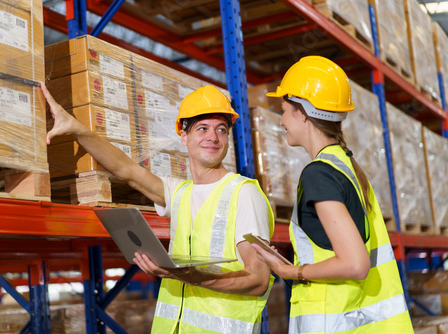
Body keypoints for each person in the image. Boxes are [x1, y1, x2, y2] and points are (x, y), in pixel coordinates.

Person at [41, 83, 275, 333]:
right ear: (183, 135)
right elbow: (126, 170)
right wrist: (76, 128)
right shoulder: (180, 193)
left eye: (221, 129)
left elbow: (258, 279)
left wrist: (184, 276)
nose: (213, 137)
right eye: (202, 128)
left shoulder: (244, 193)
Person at [250, 56, 414, 333]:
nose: (282, 122)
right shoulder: (346, 165)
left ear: (303, 113)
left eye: (285, 111)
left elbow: (355, 263)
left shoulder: (319, 174)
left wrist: (291, 271)